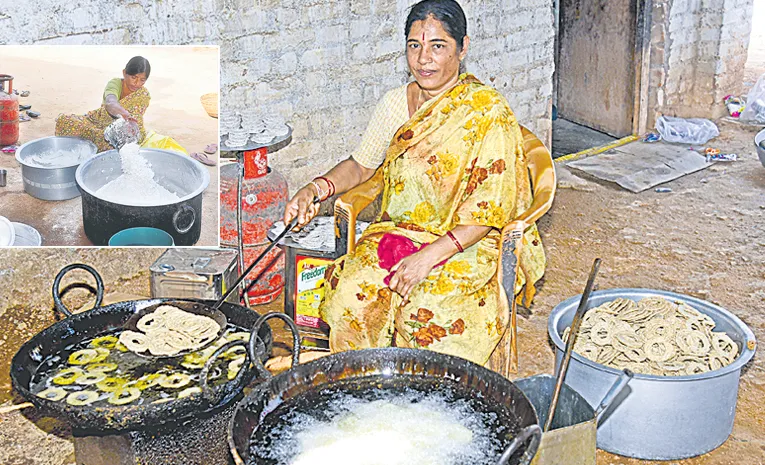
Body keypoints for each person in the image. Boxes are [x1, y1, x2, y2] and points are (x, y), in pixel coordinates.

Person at [283, 0, 546, 366]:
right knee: (351, 297)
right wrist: (315, 189)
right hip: (400, 232)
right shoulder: (396, 103)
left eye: (438, 46)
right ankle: (367, 388)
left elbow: (490, 209)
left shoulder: (487, 112)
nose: (424, 59)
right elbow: (361, 166)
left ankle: (435, 408)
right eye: (414, 45)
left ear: (462, 47)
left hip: (468, 241)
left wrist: (427, 258)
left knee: (431, 313)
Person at [55, 56, 151, 152]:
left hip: (122, 129)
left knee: (116, 141)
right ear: (124, 73)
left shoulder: (143, 95)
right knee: (65, 121)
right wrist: (124, 113)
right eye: (134, 77)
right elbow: (110, 102)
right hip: (99, 120)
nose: (137, 83)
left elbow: (135, 121)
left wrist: (128, 124)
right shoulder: (115, 83)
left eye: (142, 80)